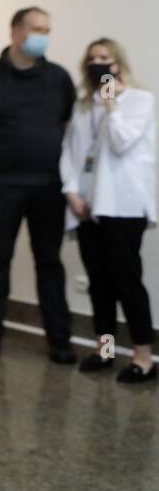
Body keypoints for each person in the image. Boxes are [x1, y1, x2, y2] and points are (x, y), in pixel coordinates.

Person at [0, 8, 78, 362]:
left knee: (49, 262)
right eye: (37, 28)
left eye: (47, 29)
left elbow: (68, 123)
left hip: (49, 186)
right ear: (16, 31)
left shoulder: (59, 78)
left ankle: (60, 340)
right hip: (2, 183)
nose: (43, 35)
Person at [61, 39, 156, 383]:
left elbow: (122, 143)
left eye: (105, 58)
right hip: (88, 206)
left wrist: (112, 103)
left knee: (126, 280)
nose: (98, 64)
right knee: (99, 283)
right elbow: (71, 152)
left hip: (123, 205)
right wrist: (71, 192)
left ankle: (144, 358)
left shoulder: (139, 100)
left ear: (118, 63)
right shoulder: (83, 106)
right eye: (92, 60)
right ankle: (105, 351)